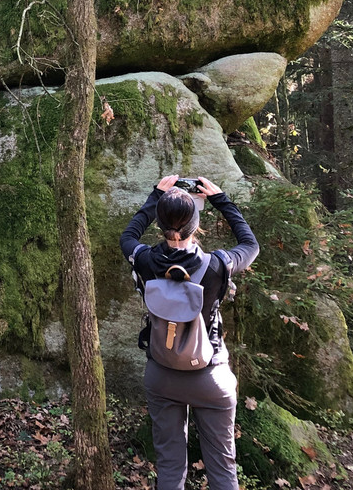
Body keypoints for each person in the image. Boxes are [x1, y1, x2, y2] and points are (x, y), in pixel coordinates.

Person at [119, 174, 259, 490]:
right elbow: (250, 244)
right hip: (211, 378)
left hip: (162, 374)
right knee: (223, 471)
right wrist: (221, 199)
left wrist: (156, 194)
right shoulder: (218, 265)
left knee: (169, 468)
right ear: (195, 226)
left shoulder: (143, 260)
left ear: (160, 225)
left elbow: (128, 234)